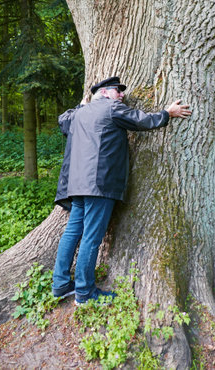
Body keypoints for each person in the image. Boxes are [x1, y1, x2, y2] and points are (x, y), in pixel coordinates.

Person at [52, 76, 191, 305]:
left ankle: (60, 284)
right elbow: (142, 120)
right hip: (99, 185)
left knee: (72, 232)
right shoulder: (111, 108)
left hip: (76, 185)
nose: (122, 94)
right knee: (91, 237)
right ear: (105, 93)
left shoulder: (78, 114)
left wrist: (81, 105)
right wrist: (167, 113)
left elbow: (63, 121)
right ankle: (85, 294)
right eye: (118, 90)